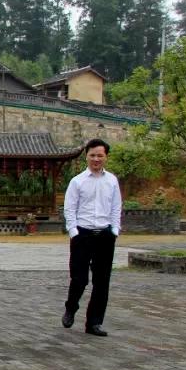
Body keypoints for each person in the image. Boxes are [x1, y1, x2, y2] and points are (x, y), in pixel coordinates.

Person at [62, 138, 122, 337]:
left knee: (102, 281)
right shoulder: (77, 181)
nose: (96, 159)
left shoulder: (112, 180)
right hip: (83, 234)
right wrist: (74, 232)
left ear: (106, 157)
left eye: (100, 155)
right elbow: (69, 209)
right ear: (86, 156)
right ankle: (71, 307)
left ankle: (94, 323)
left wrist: (114, 230)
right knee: (79, 278)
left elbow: (116, 208)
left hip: (104, 235)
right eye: (92, 155)